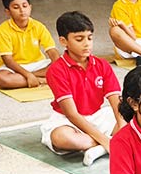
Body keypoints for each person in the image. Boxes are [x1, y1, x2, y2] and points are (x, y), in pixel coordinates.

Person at [44, 11, 125, 166]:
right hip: (68, 121)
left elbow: (116, 102)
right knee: (62, 138)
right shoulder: (56, 70)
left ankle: (99, 148)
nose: (87, 43)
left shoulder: (102, 65)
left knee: (139, 116)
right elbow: (72, 114)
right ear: (63, 41)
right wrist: (105, 140)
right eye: (79, 39)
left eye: (90, 38)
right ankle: (108, 143)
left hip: (98, 116)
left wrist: (121, 126)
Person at [0, 0, 60, 90]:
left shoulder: (38, 26)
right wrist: (27, 74)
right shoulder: (3, 29)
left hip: (38, 65)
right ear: (7, 11)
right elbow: (8, 60)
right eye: (16, 7)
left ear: (30, 7)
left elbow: (51, 50)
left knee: (66, 64)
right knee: (0, 78)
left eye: (25, 6)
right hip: (15, 67)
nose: (22, 10)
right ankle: (42, 80)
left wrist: (57, 63)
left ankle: (32, 78)